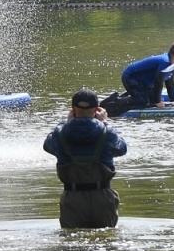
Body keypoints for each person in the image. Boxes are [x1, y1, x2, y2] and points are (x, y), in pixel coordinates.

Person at [43, 89, 128, 229]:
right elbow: (122, 149)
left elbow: (47, 146)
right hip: (103, 196)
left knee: (72, 245)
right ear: (96, 109)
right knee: (106, 244)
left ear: (73, 109)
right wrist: (105, 123)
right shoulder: (107, 132)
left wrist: (64, 123)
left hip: (72, 197)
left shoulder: (60, 133)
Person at [108, 43, 174, 113]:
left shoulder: (172, 64)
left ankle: (130, 96)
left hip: (143, 82)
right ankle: (113, 102)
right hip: (131, 77)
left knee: (152, 102)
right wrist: (158, 101)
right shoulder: (166, 63)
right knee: (143, 102)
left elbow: (170, 84)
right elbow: (158, 83)